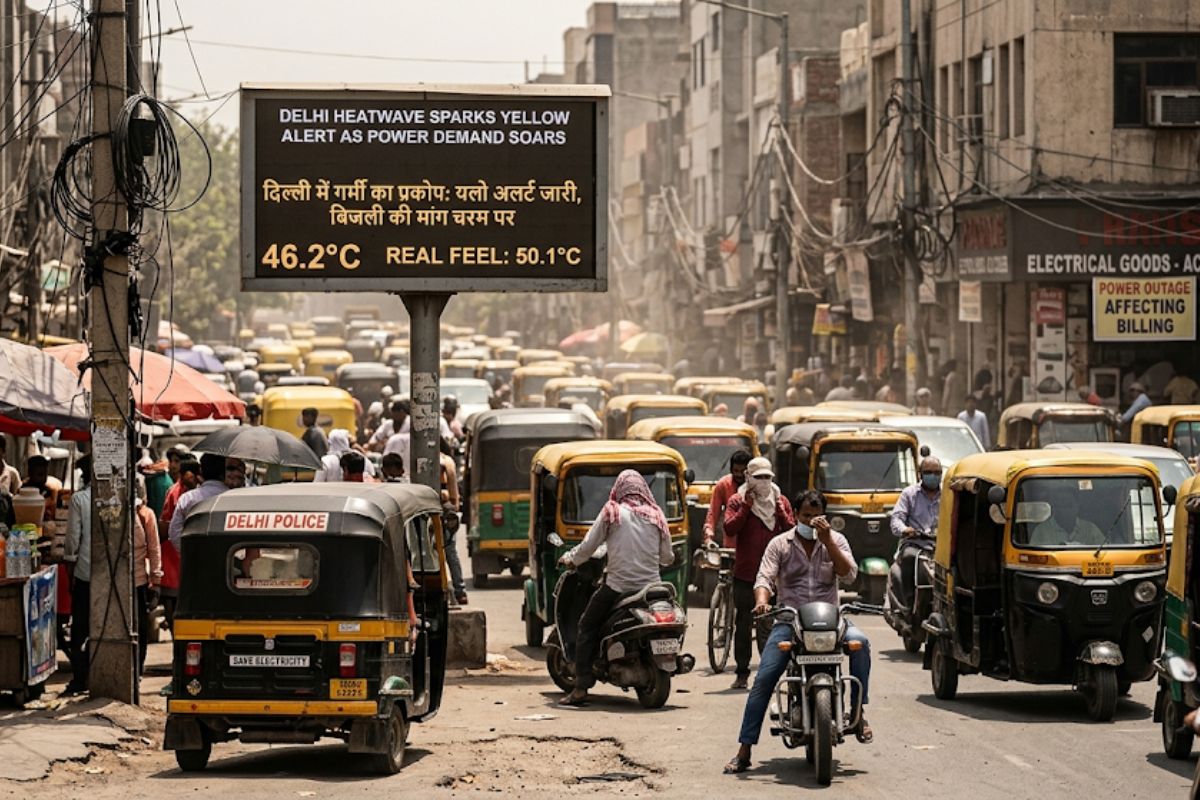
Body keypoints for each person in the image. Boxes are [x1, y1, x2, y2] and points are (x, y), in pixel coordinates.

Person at [725, 490, 871, 773]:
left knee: (860, 643)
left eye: (817, 516)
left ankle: (858, 712)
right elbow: (764, 578)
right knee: (765, 678)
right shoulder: (780, 544)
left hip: (831, 622)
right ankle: (744, 749)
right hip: (790, 622)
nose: (812, 521)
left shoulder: (836, 540)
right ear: (794, 515)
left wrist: (828, 541)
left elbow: (849, 574)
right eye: (806, 516)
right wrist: (762, 602)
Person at [556, 470, 675, 706]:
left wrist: (570, 559)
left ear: (619, 489)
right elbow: (668, 557)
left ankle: (580, 688)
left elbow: (588, 547)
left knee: (586, 625)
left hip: (618, 587)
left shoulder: (612, 511)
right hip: (652, 588)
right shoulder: (657, 514)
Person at [722, 457, 795, 689]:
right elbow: (730, 528)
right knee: (743, 624)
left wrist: (781, 511)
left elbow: (792, 530)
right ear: (748, 478)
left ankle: (769, 671)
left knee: (772, 624)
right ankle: (742, 672)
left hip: (774, 575)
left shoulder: (780, 500)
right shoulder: (737, 500)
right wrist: (747, 506)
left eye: (767, 477)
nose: (763, 482)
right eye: (758, 477)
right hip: (746, 573)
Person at [888, 456, 942, 613]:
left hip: (940, 546)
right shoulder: (909, 494)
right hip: (915, 544)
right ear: (920, 474)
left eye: (937, 472)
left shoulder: (948, 494)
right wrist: (905, 530)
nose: (933, 476)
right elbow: (896, 519)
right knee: (909, 558)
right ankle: (909, 604)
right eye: (928, 472)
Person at [63, 456, 93, 695]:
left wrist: (69, 567)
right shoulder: (118, 499)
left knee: (80, 627)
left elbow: (72, 539)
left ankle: (80, 677)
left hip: (84, 572)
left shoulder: (79, 499)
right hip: (110, 574)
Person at [159, 458, 199, 630]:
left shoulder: (185, 490)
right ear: (185, 475)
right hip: (174, 551)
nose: (196, 478)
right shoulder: (178, 493)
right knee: (173, 598)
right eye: (193, 475)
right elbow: (170, 524)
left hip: (176, 550)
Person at [169, 454, 237, 552]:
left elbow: (174, 533)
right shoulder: (234, 498)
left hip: (195, 558)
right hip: (228, 558)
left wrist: (189, 552)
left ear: (201, 471)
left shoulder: (187, 499)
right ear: (224, 472)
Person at [133, 480, 162, 676]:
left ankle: (138, 669)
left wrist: (156, 579)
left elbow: (154, 549)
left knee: (141, 628)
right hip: (119, 583)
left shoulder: (145, 515)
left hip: (139, 582)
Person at [440, 437, 467, 605]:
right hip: (450, 512)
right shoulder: (448, 460)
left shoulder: (440, 462)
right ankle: (460, 590)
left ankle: (455, 589)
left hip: (440, 509)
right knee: (451, 552)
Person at [703, 450, 752, 543]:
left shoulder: (757, 485)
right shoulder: (723, 484)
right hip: (731, 542)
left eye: (743, 471)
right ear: (731, 469)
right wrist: (708, 533)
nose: (739, 475)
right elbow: (713, 512)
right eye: (736, 471)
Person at [1029, 491, 1104, 546]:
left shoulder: (1090, 529)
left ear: (1077, 506)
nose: (1064, 510)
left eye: (1068, 505)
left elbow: (1105, 552)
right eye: (1060, 505)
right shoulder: (1041, 531)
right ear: (1054, 508)